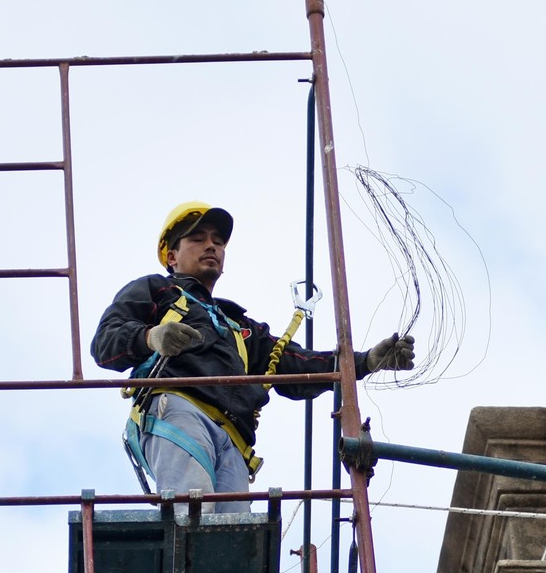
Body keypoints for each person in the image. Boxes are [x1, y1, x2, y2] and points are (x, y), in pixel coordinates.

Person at [92, 202, 414, 510]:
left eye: (218, 242)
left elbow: (296, 366)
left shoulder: (239, 326)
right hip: (179, 409)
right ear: (171, 256)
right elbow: (105, 343)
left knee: (230, 532)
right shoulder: (157, 291)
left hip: (234, 440)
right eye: (198, 238)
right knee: (193, 511)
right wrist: (150, 337)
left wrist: (365, 362)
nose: (212, 247)